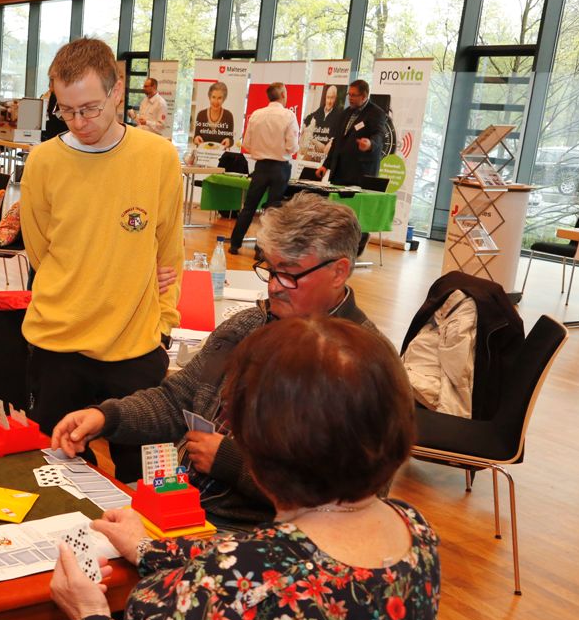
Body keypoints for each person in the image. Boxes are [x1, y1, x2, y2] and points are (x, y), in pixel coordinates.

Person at [0, 316, 442, 620]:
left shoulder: (218, 587)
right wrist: (151, 549)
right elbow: (283, 564)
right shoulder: (415, 534)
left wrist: (91, 618)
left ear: (258, 445)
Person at [52, 192, 382, 526]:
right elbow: (175, 400)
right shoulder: (246, 326)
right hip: (180, 502)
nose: (274, 287)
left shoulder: (362, 364)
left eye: (290, 274)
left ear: (339, 272)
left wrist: (232, 462)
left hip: (261, 534)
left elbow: (351, 498)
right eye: (269, 269)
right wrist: (105, 417)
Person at [20, 37, 183, 484]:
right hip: (57, 345)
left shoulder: (159, 158)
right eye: (66, 110)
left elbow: (169, 249)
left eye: (89, 108)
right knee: (54, 474)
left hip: (136, 348)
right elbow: (40, 250)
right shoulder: (43, 162)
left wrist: (164, 324)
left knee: (147, 481)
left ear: (116, 92)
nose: (78, 121)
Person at [230, 81, 299, 255]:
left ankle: (235, 244)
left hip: (260, 167)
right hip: (280, 168)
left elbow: (246, 144)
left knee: (249, 207)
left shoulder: (256, 115)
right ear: (283, 94)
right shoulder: (289, 116)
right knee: (272, 210)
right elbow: (292, 147)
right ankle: (260, 249)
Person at [317, 78, 386, 187]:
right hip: (339, 174)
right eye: (349, 94)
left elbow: (379, 134)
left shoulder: (376, 113)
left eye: (353, 95)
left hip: (359, 175)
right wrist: (326, 165)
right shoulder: (345, 113)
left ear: (364, 96)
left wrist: (370, 144)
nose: (350, 98)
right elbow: (337, 141)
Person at [301, 83, 343, 160]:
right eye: (328, 97)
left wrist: (331, 142)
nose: (329, 101)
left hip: (324, 146)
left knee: (311, 144)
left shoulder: (338, 114)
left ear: (335, 99)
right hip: (314, 144)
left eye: (332, 98)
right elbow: (310, 116)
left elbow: (339, 132)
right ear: (325, 98)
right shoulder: (321, 110)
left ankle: (302, 167)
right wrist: (304, 125)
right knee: (311, 148)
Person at [194, 80, 235, 148]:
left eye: (219, 98)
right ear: (209, 97)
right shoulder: (201, 115)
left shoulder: (228, 116)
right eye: (213, 97)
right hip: (203, 155)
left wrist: (229, 141)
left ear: (224, 99)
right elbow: (196, 137)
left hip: (221, 156)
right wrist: (196, 139)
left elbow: (231, 139)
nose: (216, 101)